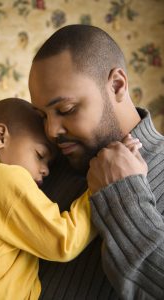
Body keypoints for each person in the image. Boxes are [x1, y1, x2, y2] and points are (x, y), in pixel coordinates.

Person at [29, 24, 164, 299]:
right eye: (43, 116)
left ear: (117, 85)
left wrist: (123, 198)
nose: (51, 131)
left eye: (66, 109)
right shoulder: (47, 170)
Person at [0, 97, 98, 300]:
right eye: (39, 154)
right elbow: (64, 241)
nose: (45, 171)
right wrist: (99, 187)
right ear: (0, 137)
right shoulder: (4, 178)